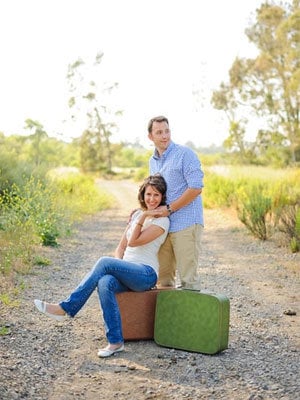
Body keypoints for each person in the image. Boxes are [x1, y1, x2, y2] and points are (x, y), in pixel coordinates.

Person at [34, 174, 170, 358]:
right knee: (105, 282)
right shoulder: (137, 215)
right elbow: (120, 247)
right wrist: (141, 215)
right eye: (148, 194)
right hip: (127, 271)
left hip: (145, 274)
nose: (152, 199)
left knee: (104, 262)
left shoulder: (162, 221)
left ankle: (65, 308)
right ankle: (115, 342)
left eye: (156, 195)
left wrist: (145, 215)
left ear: (162, 197)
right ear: (142, 195)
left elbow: (134, 241)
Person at [147, 116, 204, 290]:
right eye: (159, 132)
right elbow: (154, 193)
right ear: (151, 137)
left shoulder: (185, 154)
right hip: (163, 227)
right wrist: (141, 212)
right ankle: (169, 318)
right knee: (163, 280)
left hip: (186, 224)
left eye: (167, 131)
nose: (164, 136)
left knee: (188, 280)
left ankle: (192, 317)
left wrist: (170, 209)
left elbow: (196, 187)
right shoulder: (152, 162)